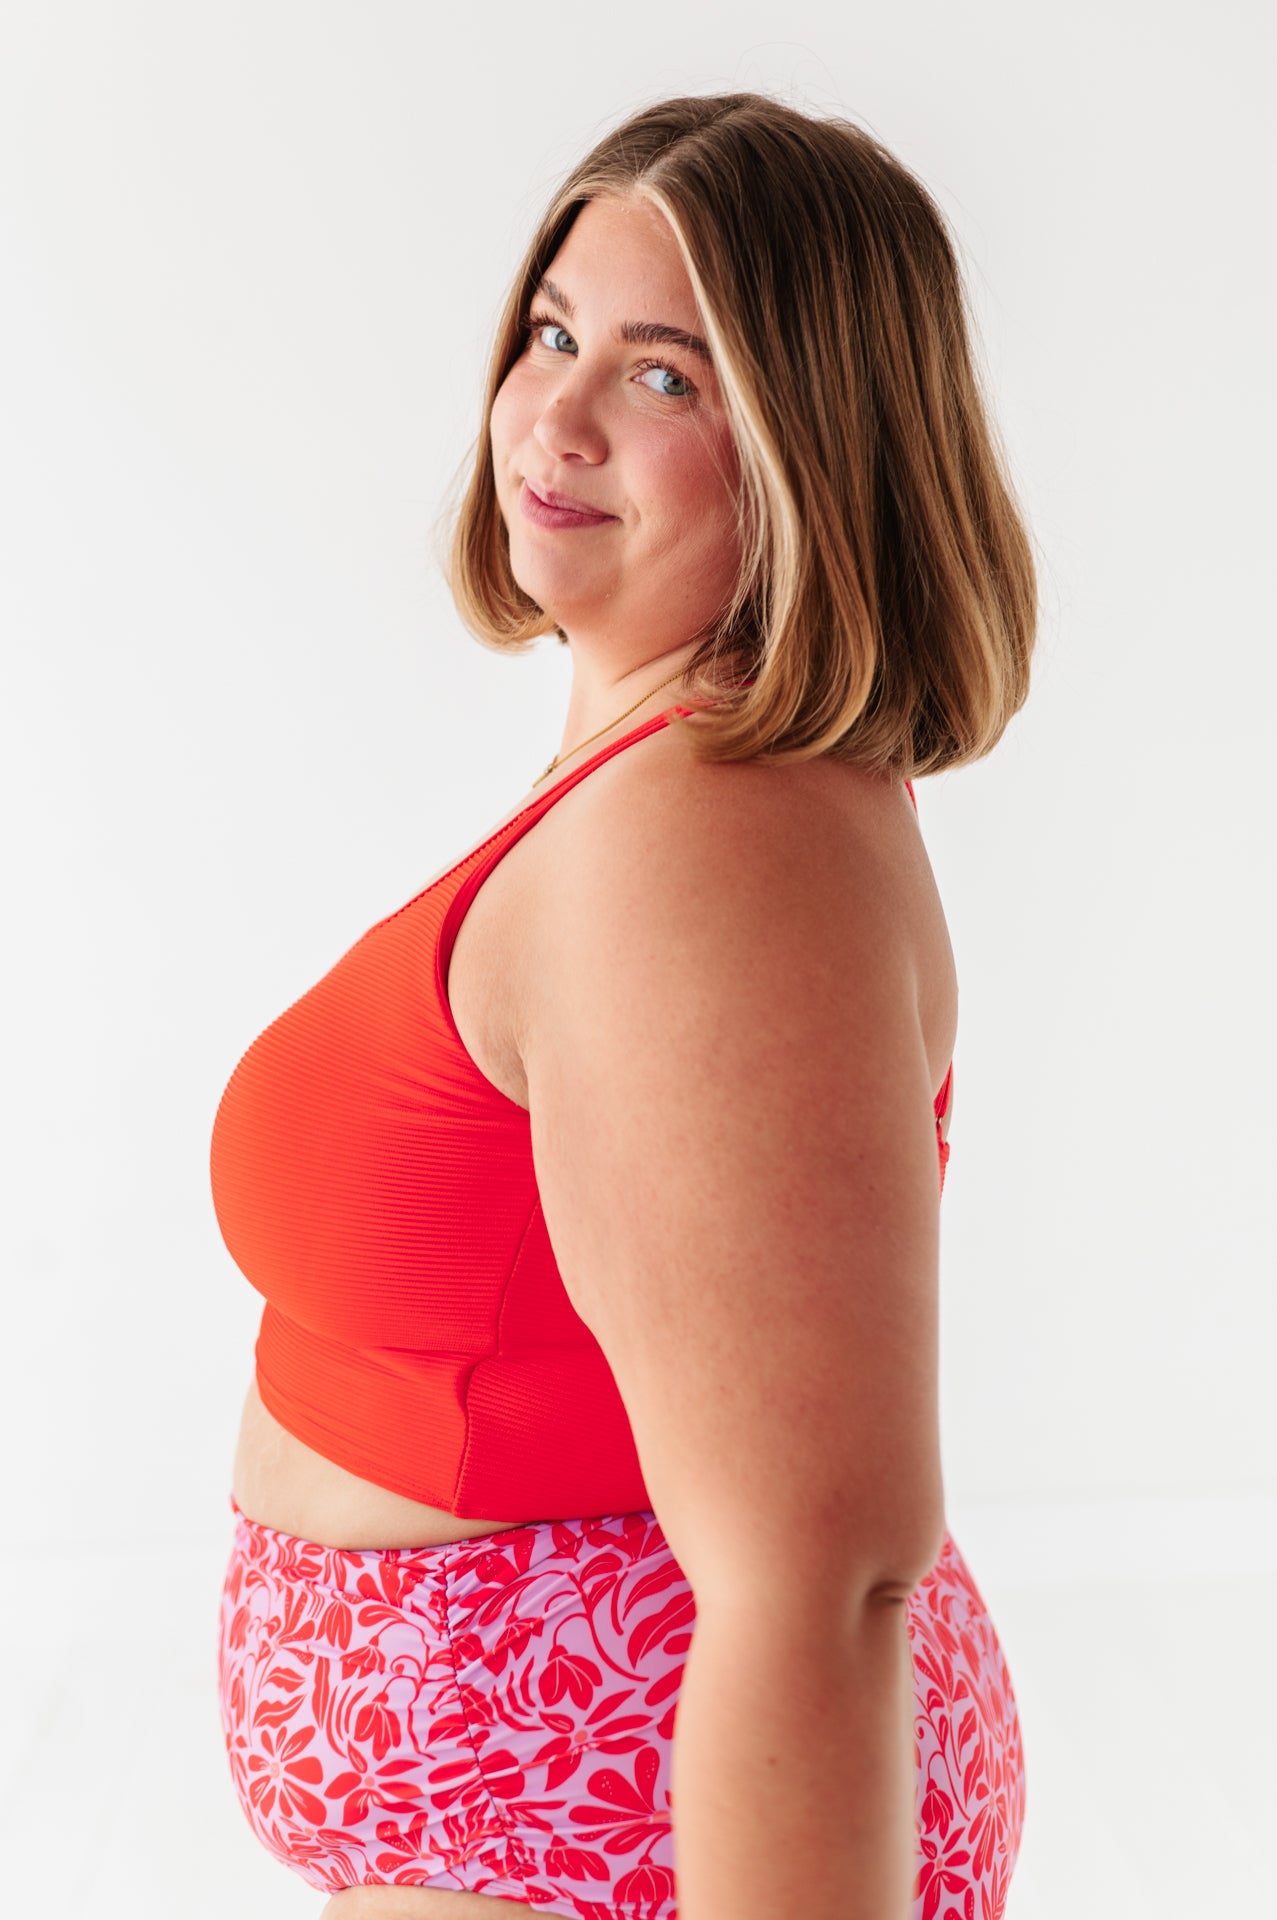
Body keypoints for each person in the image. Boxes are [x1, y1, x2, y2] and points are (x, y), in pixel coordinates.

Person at [211, 90, 1035, 1920]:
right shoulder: (666, 792)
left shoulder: (708, 842)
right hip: (537, 1821)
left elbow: (820, 1572)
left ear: (813, 446)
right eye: (551, 333)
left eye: (663, 374)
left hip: (626, 1828)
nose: (555, 416)